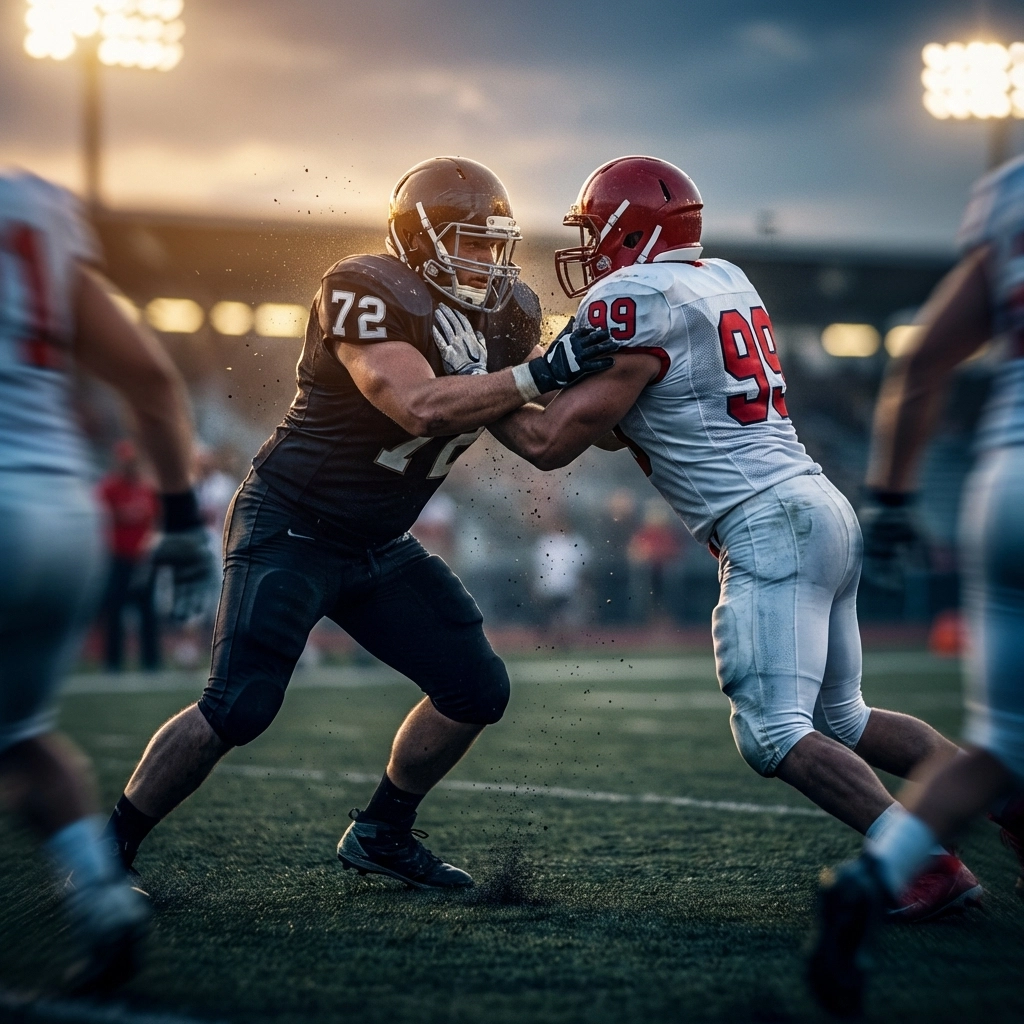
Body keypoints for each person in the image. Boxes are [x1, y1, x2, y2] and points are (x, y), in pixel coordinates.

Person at [486, 155, 979, 918]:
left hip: (767, 522)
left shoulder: (632, 296)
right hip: (819, 505)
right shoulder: (723, 278)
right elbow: (617, 422)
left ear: (632, 232)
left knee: (771, 733)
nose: (588, 250)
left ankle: (918, 863)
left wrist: (479, 384)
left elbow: (551, 442)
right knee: (841, 719)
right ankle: (1006, 805)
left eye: (596, 230)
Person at [103, 156, 615, 891]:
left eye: (494, 244)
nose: (486, 260)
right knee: (239, 705)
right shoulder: (365, 288)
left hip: (378, 542)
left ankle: (382, 831)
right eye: (469, 241)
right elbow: (418, 406)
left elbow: (543, 441)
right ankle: (108, 852)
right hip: (292, 524)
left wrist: (622, 383)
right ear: (419, 240)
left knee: (476, 690)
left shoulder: (503, 318)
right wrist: (540, 373)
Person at [807, 154, 1024, 1017]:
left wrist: (893, 501)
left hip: (1003, 483)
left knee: (1000, 742)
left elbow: (922, 361)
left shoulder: (1012, 189)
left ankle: (874, 878)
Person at [0, 169, 214, 992]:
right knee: (22, 734)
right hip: (62, 513)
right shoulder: (32, 208)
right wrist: (181, 520)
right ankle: (101, 900)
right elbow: (151, 380)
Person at [98, 439, 161, 671]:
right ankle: (113, 662)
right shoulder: (109, 488)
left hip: (143, 559)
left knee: (148, 609)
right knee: (115, 609)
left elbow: (156, 520)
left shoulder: (147, 489)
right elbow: (102, 518)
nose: (131, 466)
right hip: (118, 557)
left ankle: (151, 662)